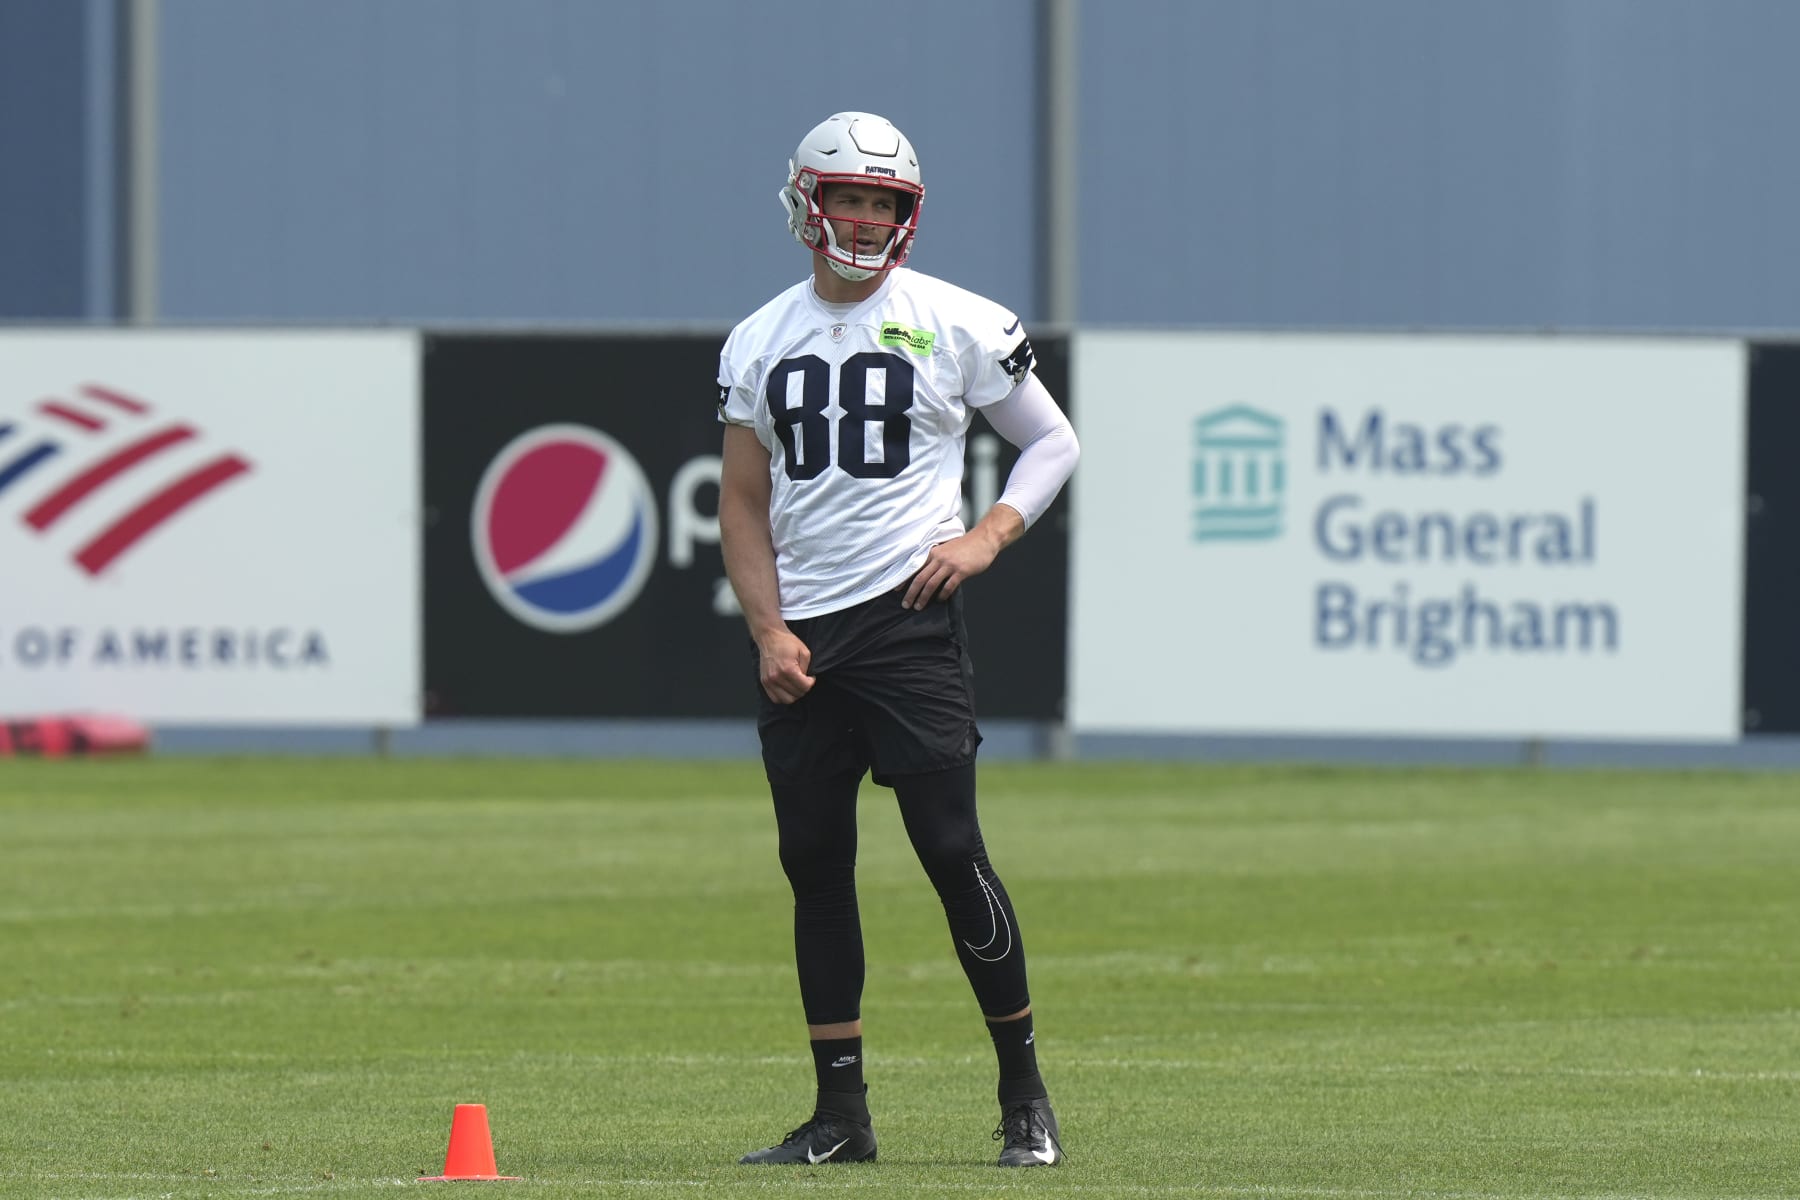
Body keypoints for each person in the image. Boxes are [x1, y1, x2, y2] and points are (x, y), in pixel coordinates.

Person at [716, 111, 1080, 1169]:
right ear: (806, 202)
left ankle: (1024, 1097)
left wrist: (987, 537)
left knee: (951, 850)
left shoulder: (956, 320)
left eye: (884, 203)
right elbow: (743, 504)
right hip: (806, 638)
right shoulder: (759, 337)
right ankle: (841, 1115)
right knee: (814, 866)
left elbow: (1052, 443)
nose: (867, 219)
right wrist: (768, 629)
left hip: (908, 619)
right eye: (851, 198)